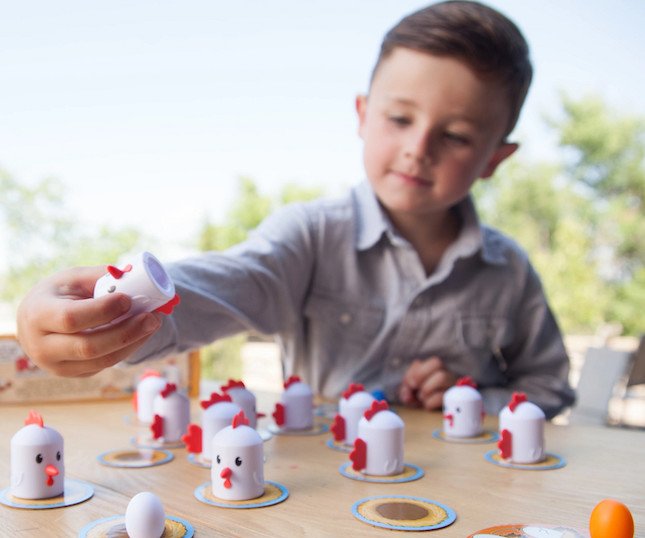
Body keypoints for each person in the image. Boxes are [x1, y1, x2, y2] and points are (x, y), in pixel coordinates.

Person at [16, 1, 575, 418]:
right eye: (400, 119)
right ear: (361, 114)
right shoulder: (310, 236)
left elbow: (549, 387)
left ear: (494, 159)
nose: (418, 147)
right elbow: (225, 285)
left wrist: (475, 396)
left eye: (454, 135)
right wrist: (105, 310)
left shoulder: (510, 271)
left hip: (465, 498)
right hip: (330, 497)